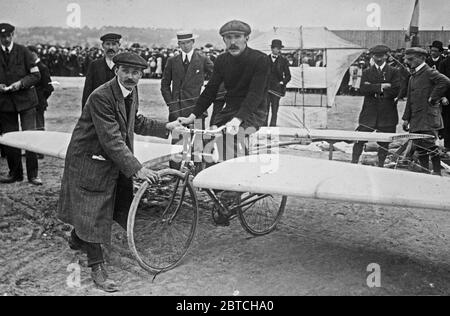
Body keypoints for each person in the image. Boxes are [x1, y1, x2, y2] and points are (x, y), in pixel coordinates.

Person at [57, 52, 182, 292]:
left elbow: (136, 121)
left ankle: (77, 237)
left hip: (108, 158)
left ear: (141, 75)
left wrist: (167, 127)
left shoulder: (131, 92)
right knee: (94, 209)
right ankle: (97, 267)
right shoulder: (101, 96)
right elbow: (112, 140)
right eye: (126, 71)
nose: (131, 77)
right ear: (116, 71)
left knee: (111, 202)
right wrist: (137, 168)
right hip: (89, 159)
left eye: (136, 73)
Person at [0, 23, 42, 185]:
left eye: (8, 36)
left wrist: (21, 84)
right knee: (11, 139)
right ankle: (15, 173)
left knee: (30, 137)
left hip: (26, 102)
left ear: (13, 35)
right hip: (5, 104)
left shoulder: (23, 51)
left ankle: (33, 174)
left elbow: (36, 75)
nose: (6, 39)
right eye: (2, 36)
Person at [402, 47, 450, 176]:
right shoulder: (413, 76)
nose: (408, 62)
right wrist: (406, 118)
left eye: (411, 59)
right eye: (406, 59)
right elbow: (410, 99)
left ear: (422, 58)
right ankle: (425, 172)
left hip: (428, 117)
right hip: (416, 117)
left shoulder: (429, 72)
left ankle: (437, 172)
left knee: (429, 144)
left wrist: (433, 97)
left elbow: (445, 81)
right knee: (419, 145)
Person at [352, 45, 401, 167]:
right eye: (375, 55)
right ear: (372, 56)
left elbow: (396, 90)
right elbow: (363, 89)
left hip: (387, 112)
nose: (378, 58)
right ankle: (353, 163)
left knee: (384, 142)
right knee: (359, 139)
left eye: (381, 55)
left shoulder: (394, 72)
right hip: (369, 112)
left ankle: (381, 165)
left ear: (386, 56)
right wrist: (382, 86)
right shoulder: (367, 72)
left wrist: (372, 87)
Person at [81, 33, 121, 109]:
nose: (110, 47)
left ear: (119, 46)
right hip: (98, 110)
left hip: (119, 112)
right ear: (102, 46)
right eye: (107, 44)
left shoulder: (124, 66)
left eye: (114, 44)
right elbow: (87, 91)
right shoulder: (95, 65)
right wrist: (85, 113)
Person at [26, 46, 54, 132]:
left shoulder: (42, 68)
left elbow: (49, 88)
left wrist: (41, 97)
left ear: (35, 54)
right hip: (31, 103)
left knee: (39, 127)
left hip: (38, 103)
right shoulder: (31, 66)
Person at [266, 39, 291, 127]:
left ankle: (272, 128)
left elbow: (288, 76)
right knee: (265, 110)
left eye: (279, 48)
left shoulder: (283, 61)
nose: (277, 50)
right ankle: (263, 128)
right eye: (276, 48)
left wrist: (282, 82)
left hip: (277, 90)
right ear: (272, 49)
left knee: (274, 110)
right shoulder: (265, 59)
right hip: (266, 89)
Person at [438, 48, 450, 152]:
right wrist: (442, 97)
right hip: (448, 99)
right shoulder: (444, 63)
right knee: (447, 121)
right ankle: (448, 145)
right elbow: (440, 82)